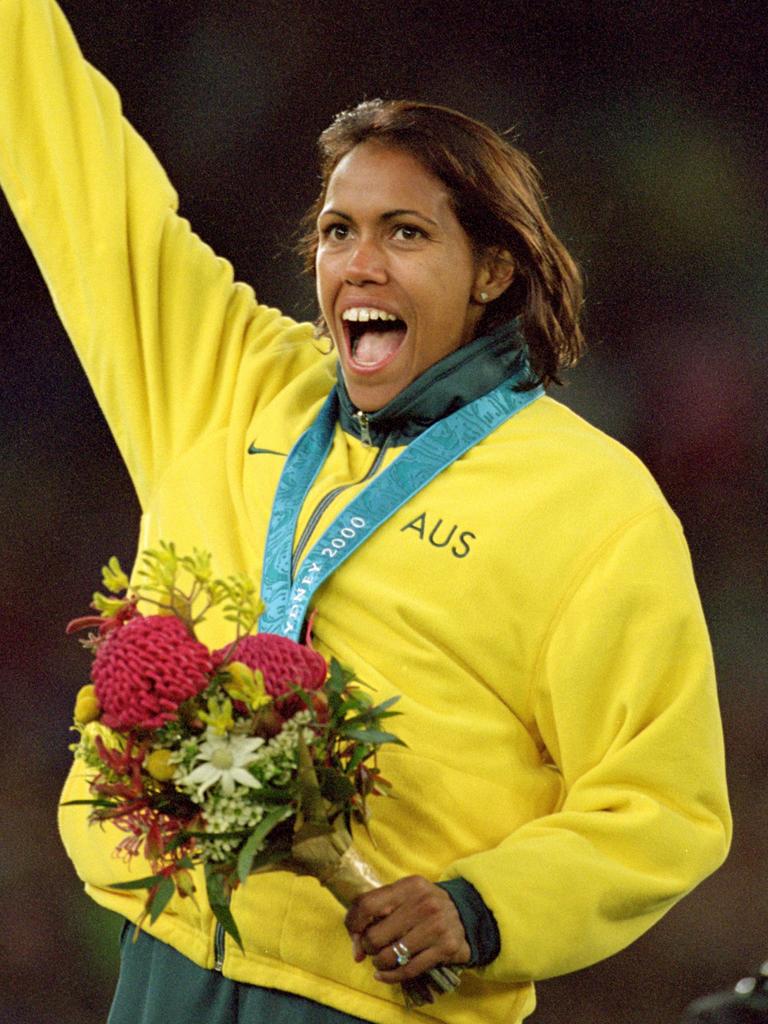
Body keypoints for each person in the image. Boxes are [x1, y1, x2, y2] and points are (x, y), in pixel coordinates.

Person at [1, 2, 731, 1023]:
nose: (362, 263)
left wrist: (481, 909)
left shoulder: (592, 501)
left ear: (492, 269)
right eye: (340, 230)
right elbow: (73, 168)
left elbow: (664, 802)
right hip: (161, 961)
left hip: (378, 1002)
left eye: (407, 233)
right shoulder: (231, 384)